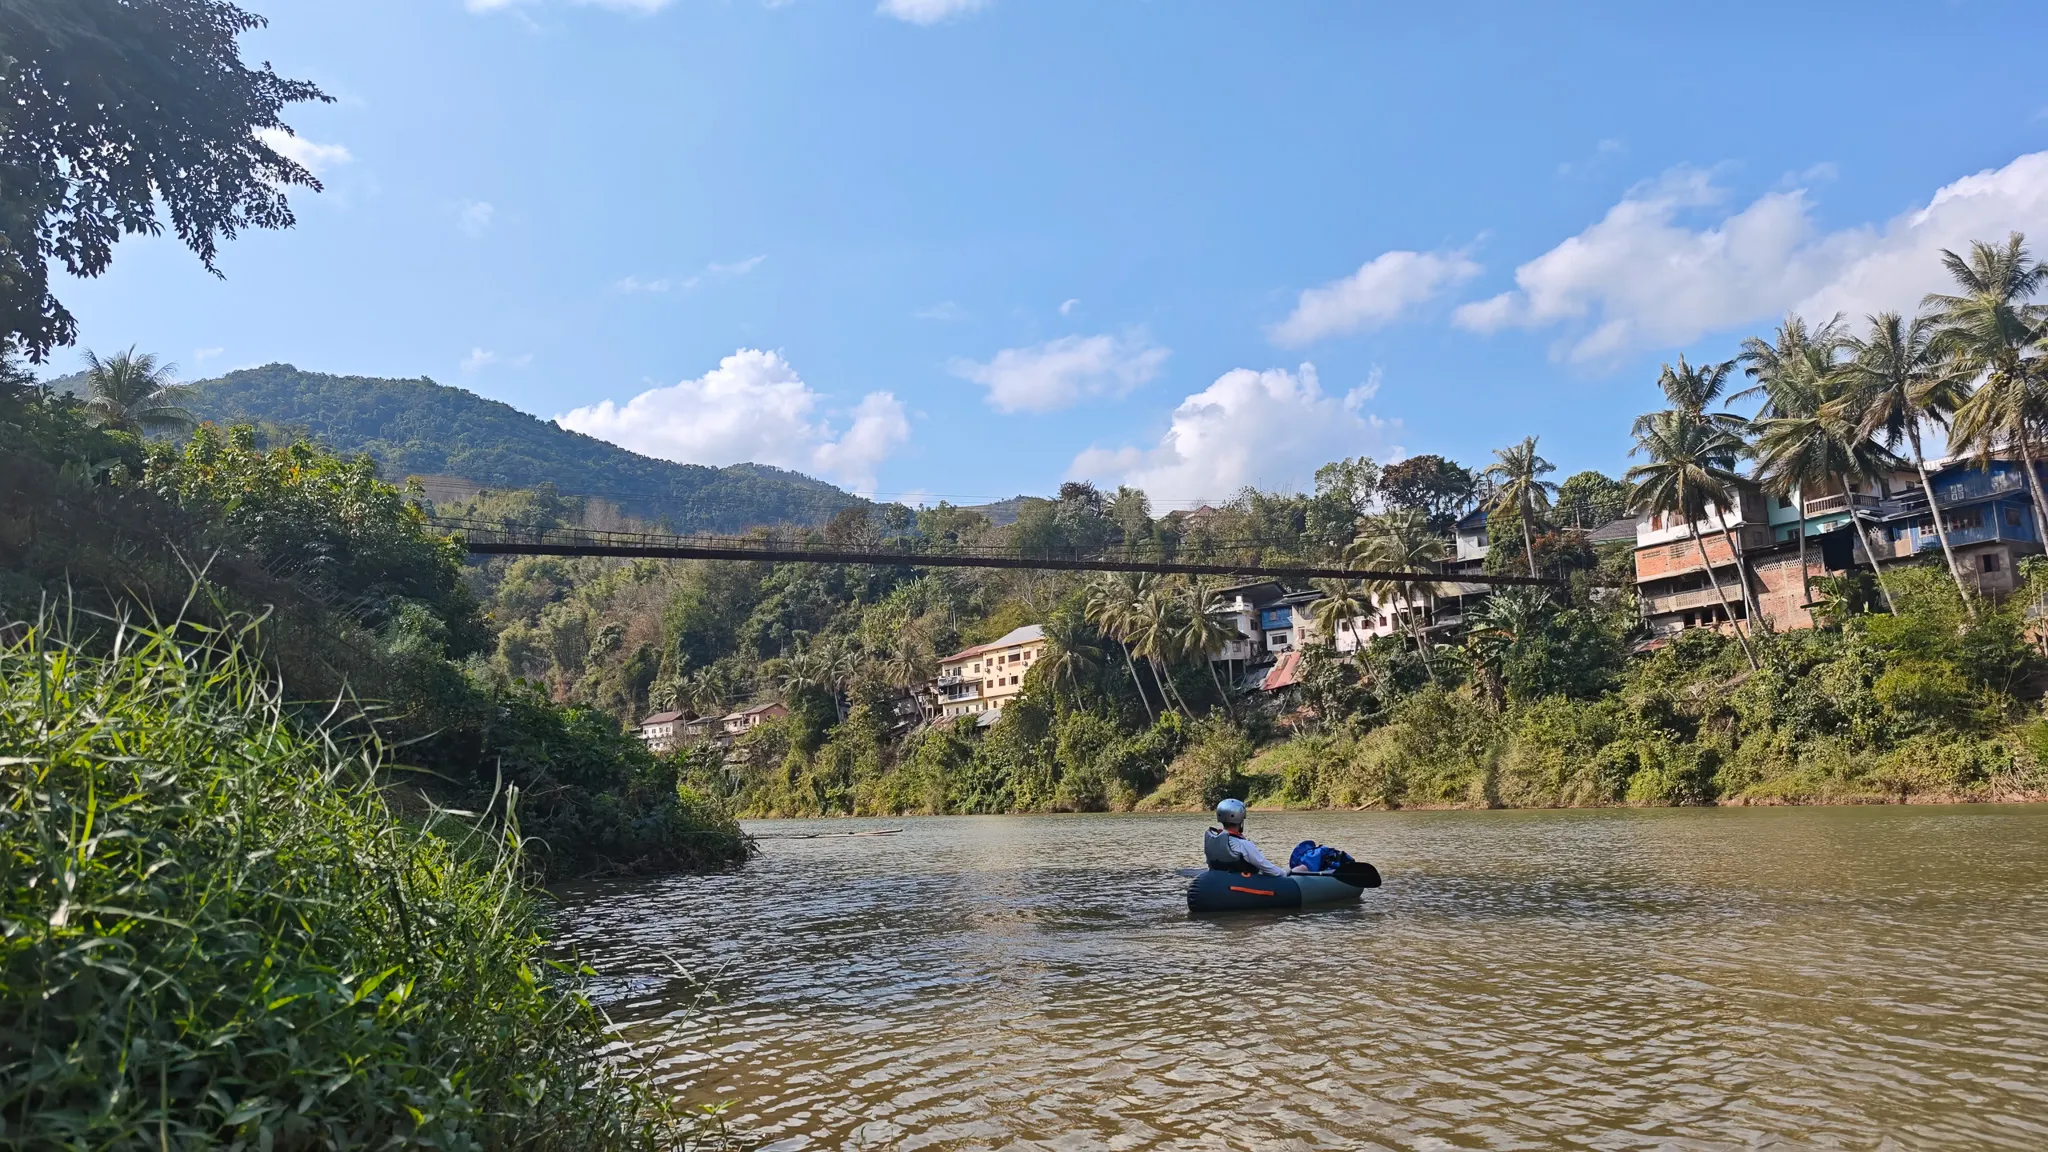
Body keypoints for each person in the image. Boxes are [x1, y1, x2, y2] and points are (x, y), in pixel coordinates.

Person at [1202, 798, 1293, 876]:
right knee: (1296, 868)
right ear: (1240, 819)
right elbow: (1268, 869)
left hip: (1219, 882)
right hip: (1241, 884)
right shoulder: (1243, 844)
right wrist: (1286, 873)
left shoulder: (1213, 841)